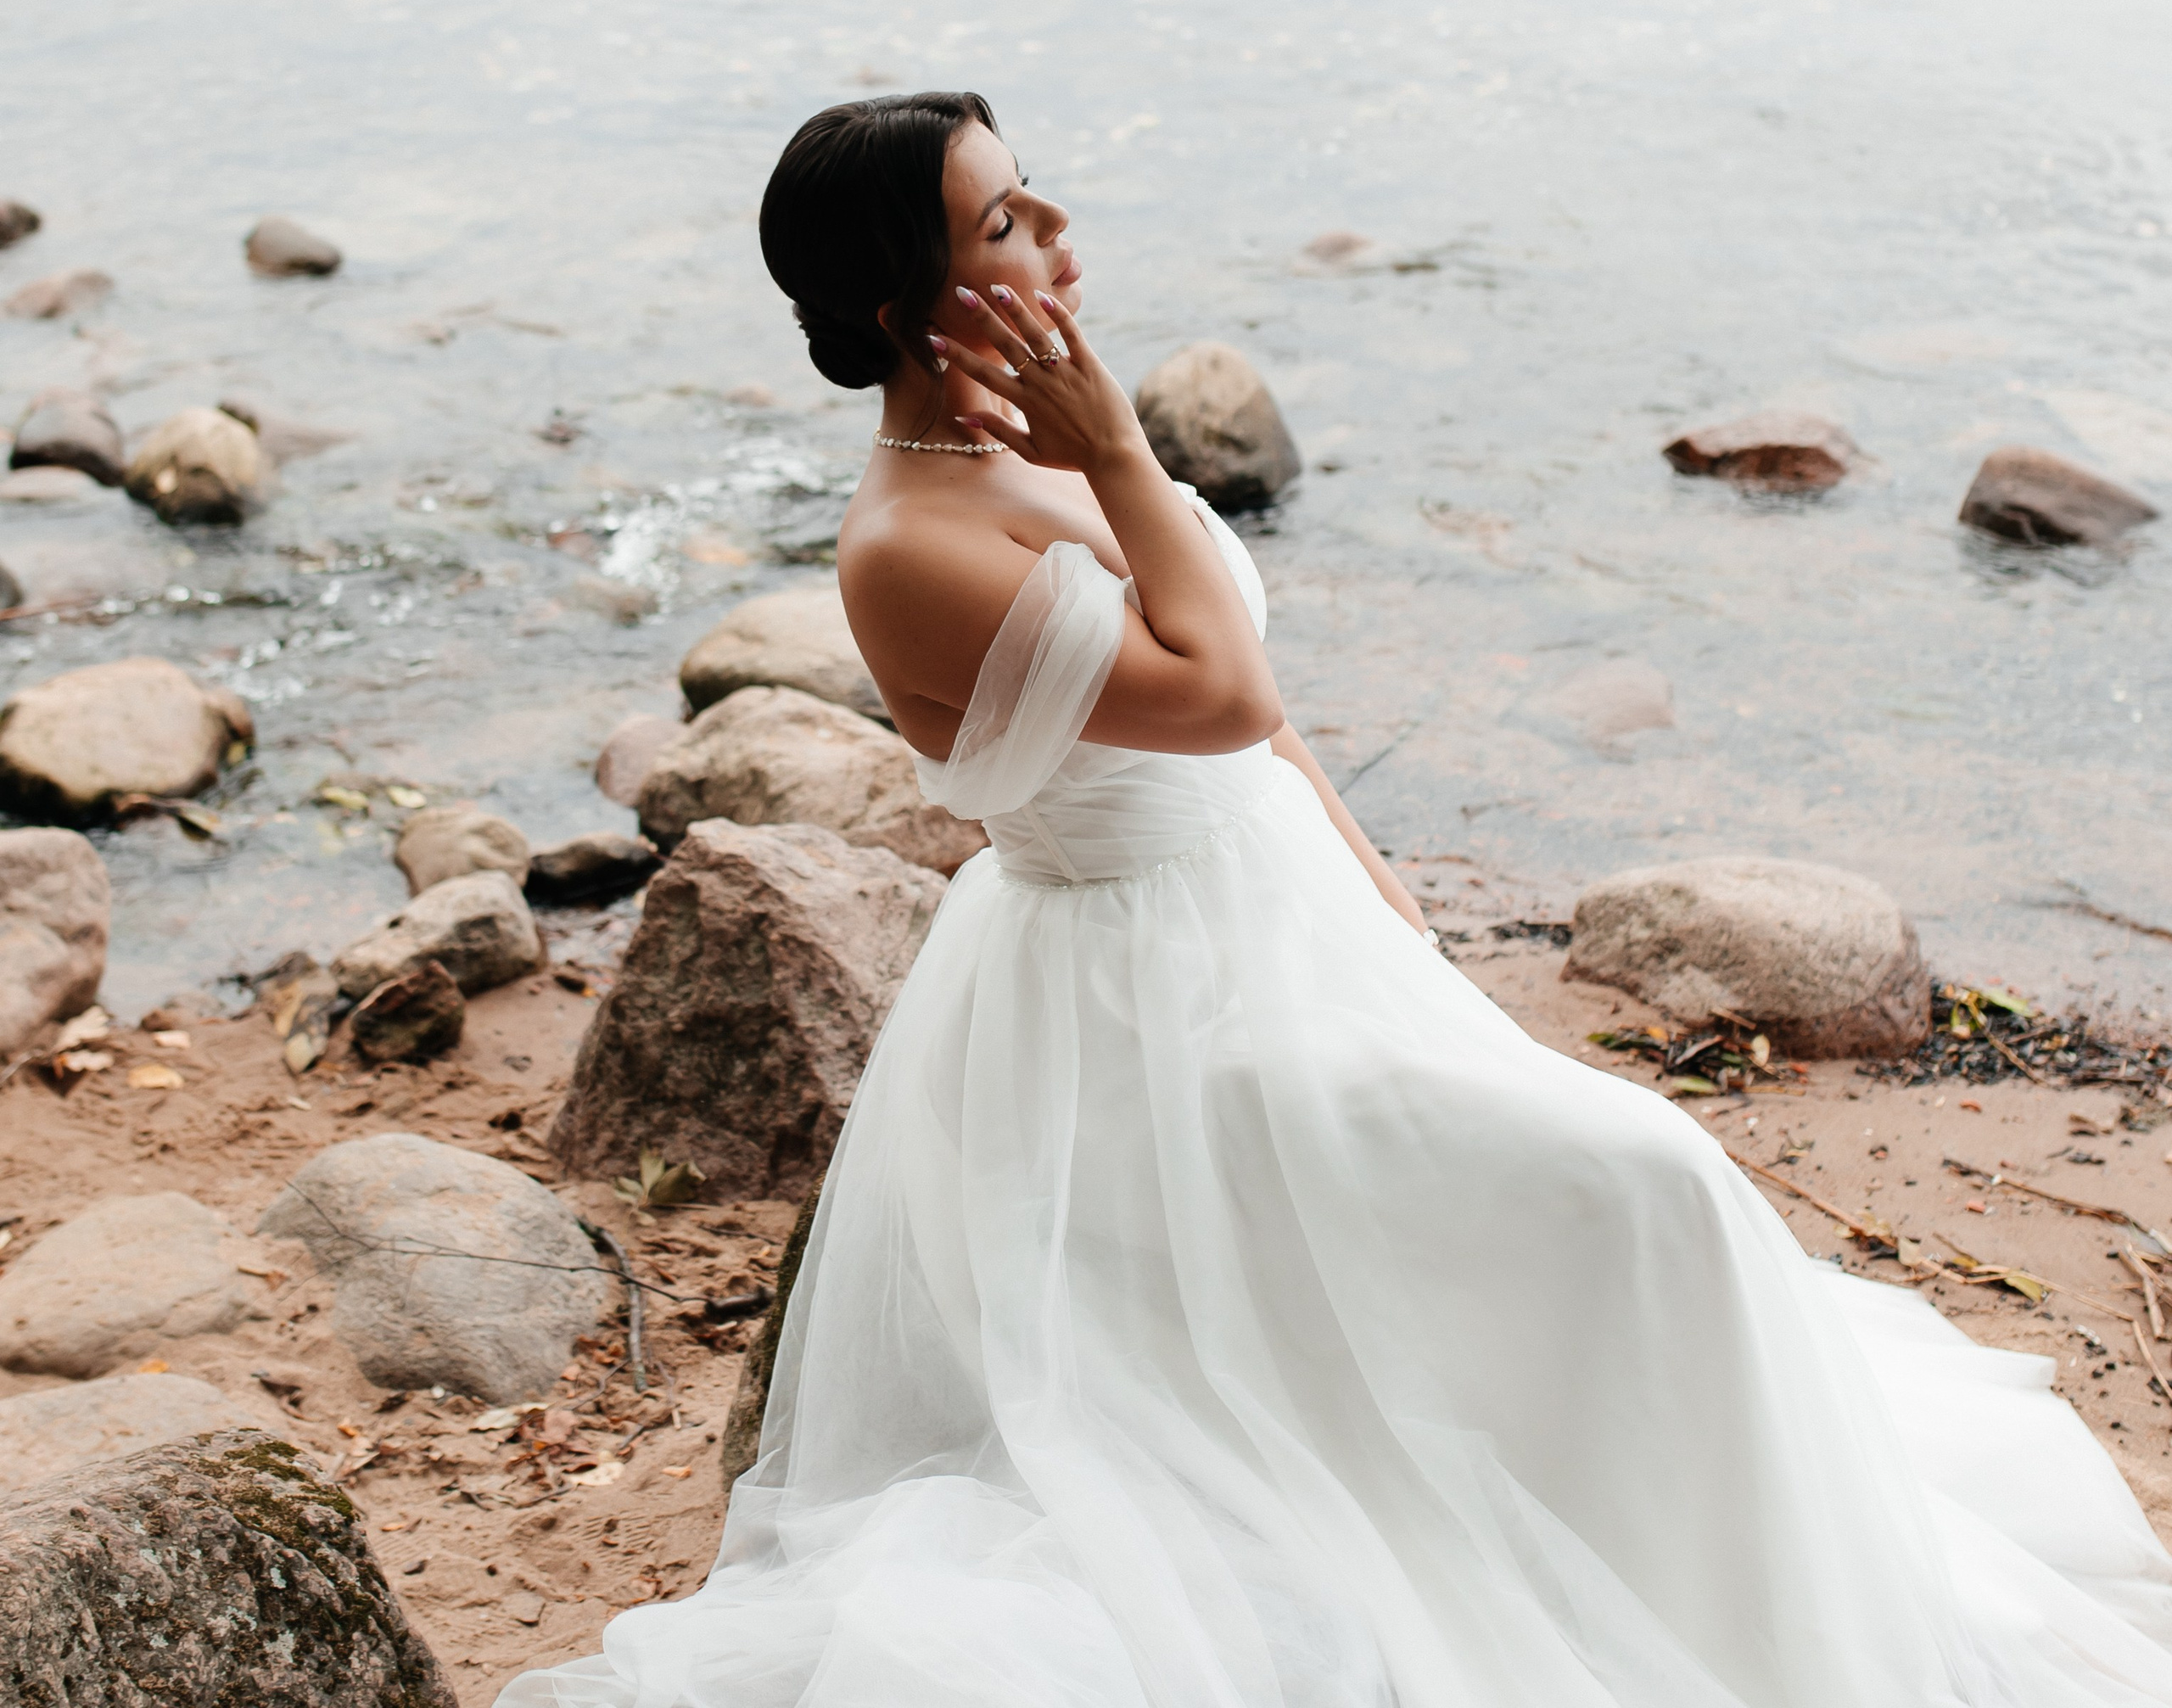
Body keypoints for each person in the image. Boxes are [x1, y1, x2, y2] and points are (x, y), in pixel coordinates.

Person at [502, 91, 2172, 1708]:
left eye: (1036, 189)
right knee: (1645, 1179)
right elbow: (1217, 687)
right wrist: (1124, 453)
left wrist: (1407, 937)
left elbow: (1275, 733)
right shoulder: (907, 542)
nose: (1060, 227)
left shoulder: (1041, 446)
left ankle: (1711, 1565)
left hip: (1283, 919)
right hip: (1140, 999)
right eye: (1004, 218)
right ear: (905, 305)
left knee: (1621, 1171)